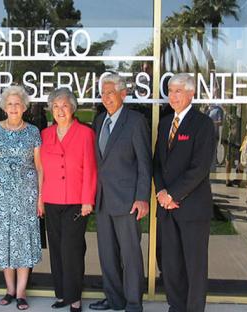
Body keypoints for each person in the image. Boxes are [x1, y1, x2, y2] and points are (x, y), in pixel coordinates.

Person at [89, 74, 151, 312]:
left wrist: (142, 197)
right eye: (103, 93)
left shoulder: (135, 121)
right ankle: (114, 300)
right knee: (107, 255)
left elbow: (145, 164)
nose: (106, 98)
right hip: (103, 200)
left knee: (130, 256)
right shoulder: (99, 121)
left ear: (123, 94)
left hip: (127, 201)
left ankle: (134, 303)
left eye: (110, 93)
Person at [153, 73, 215, 312]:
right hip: (167, 208)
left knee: (194, 265)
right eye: (170, 90)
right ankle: (176, 306)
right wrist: (161, 192)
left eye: (178, 91)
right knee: (171, 264)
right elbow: (157, 162)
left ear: (191, 94)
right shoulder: (166, 122)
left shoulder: (203, 124)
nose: (173, 95)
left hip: (192, 209)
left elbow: (199, 168)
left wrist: (173, 195)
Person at [0, 85, 44, 311]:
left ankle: (21, 292)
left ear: (24, 107)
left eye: (18, 104)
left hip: (26, 195)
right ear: (4, 107)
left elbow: (39, 167)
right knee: (5, 242)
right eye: (10, 104)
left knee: (23, 242)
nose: (14, 107)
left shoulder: (33, 132)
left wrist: (40, 198)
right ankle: (9, 289)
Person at [40, 88, 97, 312]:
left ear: (72, 108)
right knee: (55, 248)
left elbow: (91, 169)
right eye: (55, 106)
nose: (60, 110)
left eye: (64, 106)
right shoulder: (45, 135)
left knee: (71, 249)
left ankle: (75, 298)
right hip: (52, 200)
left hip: (76, 201)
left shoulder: (85, 133)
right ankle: (62, 293)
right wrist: (40, 199)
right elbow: (40, 170)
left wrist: (87, 200)